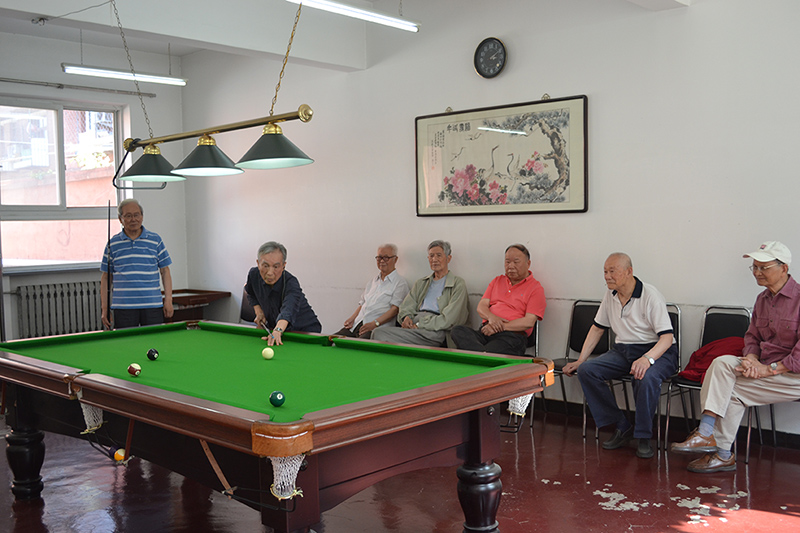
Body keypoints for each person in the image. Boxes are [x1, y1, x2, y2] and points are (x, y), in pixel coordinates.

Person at [670, 241, 800, 473]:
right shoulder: (762, 299)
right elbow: (752, 336)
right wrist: (751, 358)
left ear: (784, 268)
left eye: (763, 267)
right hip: (765, 369)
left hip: (792, 376)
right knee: (722, 364)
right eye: (754, 267)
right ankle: (708, 436)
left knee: (729, 390)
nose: (757, 272)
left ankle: (720, 452)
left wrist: (768, 369)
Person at [563, 253, 678, 459]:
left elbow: (667, 338)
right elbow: (597, 328)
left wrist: (647, 359)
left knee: (645, 376)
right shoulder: (611, 294)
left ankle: (643, 436)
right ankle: (622, 426)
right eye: (605, 272)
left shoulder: (650, 295)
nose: (607, 276)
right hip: (623, 351)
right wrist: (580, 360)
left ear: (628, 272)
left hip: (658, 351)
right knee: (587, 370)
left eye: (612, 271)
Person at [450, 244, 546, 356]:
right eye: (507, 262)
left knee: (491, 350)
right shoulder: (497, 281)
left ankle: (481, 354)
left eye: (516, 262)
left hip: (512, 336)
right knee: (458, 331)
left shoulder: (535, 288)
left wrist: (500, 327)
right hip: (487, 331)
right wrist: (492, 318)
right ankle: (483, 354)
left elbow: (528, 322)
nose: (511, 266)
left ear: (528, 264)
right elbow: (481, 307)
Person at [372, 240, 469, 347]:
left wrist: (420, 324)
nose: (434, 259)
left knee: (380, 335)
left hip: (434, 330)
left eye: (439, 255)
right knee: (378, 332)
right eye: (431, 256)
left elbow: (449, 319)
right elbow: (406, 306)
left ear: (448, 258)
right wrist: (406, 318)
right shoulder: (422, 283)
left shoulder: (457, 284)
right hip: (413, 326)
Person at [100, 199, 173, 329]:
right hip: (124, 307)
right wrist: (104, 308)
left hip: (152, 305)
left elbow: (165, 271)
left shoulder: (155, 240)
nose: (133, 219)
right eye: (128, 216)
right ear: (120, 219)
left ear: (142, 216)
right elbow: (106, 277)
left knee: (155, 339)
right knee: (126, 340)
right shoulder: (113, 244)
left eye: (136, 215)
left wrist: (168, 300)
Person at [245, 241, 321, 346]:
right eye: (265, 266)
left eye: (276, 267)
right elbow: (251, 293)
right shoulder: (253, 275)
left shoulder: (291, 283)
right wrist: (259, 311)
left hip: (305, 332)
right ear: (258, 263)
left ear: (283, 266)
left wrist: (278, 330)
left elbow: (288, 310)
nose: (270, 272)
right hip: (277, 331)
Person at [334, 244, 410, 339]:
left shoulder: (400, 283)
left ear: (395, 259)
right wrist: (352, 318)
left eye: (386, 258)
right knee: (331, 340)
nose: (382, 261)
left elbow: (395, 310)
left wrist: (375, 324)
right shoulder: (372, 282)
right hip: (357, 325)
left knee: (358, 346)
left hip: (376, 329)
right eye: (379, 258)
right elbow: (363, 303)